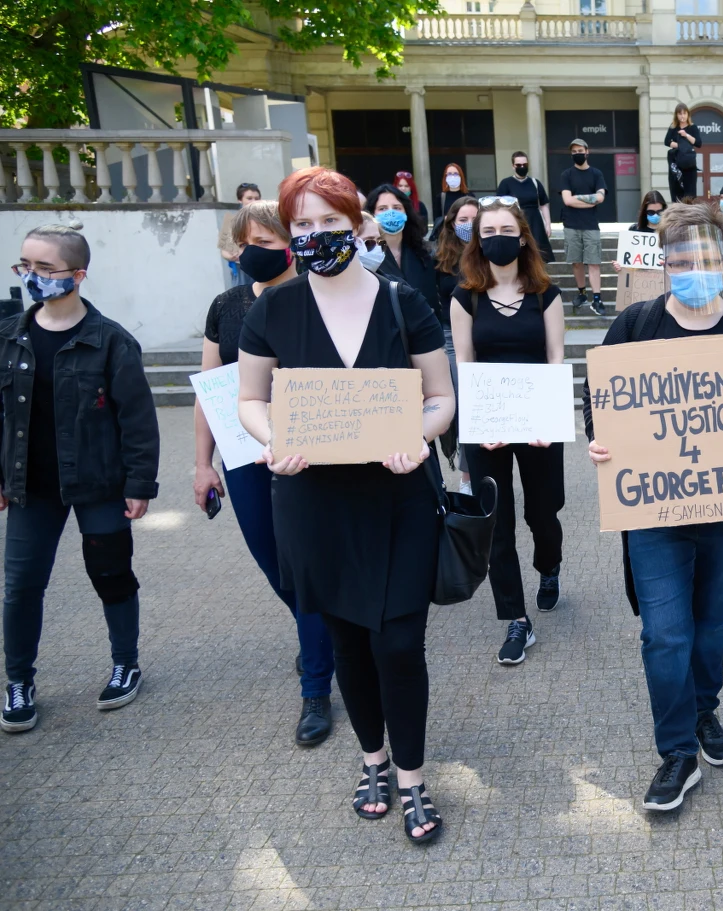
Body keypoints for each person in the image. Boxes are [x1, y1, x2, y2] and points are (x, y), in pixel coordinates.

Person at [236, 167, 456, 844]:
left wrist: (416, 436)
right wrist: (274, 440)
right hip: (314, 499)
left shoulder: (402, 303)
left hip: (397, 497)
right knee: (349, 643)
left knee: (397, 643)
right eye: (301, 225)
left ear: (356, 224)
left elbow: (441, 399)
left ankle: (414, 776)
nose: (314, 236)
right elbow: (249, 401)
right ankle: (374, 763)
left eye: (328, 223)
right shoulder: (271, 310)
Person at [582, 202, 723, 812]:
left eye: (704, 258)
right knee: (664, 633)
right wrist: (599, 439)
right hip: (657, 514)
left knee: (713, 624)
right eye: (680, 260)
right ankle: (677, 750)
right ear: (665, 263)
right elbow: (597, 405)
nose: (693, 269)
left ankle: (705, 710)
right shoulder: (634, 324)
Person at [1, 225, 160, 734]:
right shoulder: (9, 337)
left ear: (78, 275)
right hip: (30, 487)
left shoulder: (111, 341)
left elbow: (137, 420)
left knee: (111, 576)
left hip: (99, 484)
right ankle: (19, 681)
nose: (31, 276)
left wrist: (139, 484)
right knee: (21, 586)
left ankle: (124, 663)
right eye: (25, 265)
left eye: (44, 269)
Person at [193, 202, 335, 746]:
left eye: (276, 242)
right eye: (253, 242)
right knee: (276, 567)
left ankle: (316, 689)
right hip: (243, 458)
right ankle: (320, 629)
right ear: (236, 248)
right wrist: (203, 462)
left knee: (305, 568)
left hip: (308, 457)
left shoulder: (317, 298)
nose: (263, 253)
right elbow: (210, 390)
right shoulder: (225, 307)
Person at [450, 199, 567, 667]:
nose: (497, 235)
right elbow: (465, 363)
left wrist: (547, 419)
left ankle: (549, 565)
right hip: (489, 425)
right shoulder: (465, 298)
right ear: (478, 238)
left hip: (539, 422)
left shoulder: (546, 294)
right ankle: (515, 620)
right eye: (488, 229)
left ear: (522, 237)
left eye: (506, 228)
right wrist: (481, 424)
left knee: (544, 511)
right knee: (495, 522)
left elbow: (555, 358)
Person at [433, 195, 478, 491]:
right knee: (463, 404)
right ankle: (467, 478)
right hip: (450, 337)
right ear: (451, 222)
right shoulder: (439, 259)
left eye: (475, 219)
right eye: (463, 220)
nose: (469, 225)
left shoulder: (488, 253)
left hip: (484, 335)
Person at [367, 183, 441, 317]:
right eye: (382, 208)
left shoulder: (426, 252)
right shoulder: (368, 255)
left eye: (397, 208)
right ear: (372, 214)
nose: (391, 213)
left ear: (406, 212)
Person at [560, 138, 608, 316]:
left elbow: (601, 198)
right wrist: (590, 200)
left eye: (580, 151)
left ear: (587, 152)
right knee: (576, 262)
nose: (577, 154)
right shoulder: (566, 175)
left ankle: (597, 299)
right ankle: (582, 293)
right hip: (571, 225)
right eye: (574, 152)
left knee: (594, 263)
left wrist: (576, 199)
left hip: (591, 226)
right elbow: (567, 200)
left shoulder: (596, 174)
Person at [497, 151, 555, 264]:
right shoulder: (506, 183)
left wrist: (548, 224)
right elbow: (499, 206)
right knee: (519, 255)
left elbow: (543, 204)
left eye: (525, 164)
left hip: (536, 222)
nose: (522, 167)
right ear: (513, 166)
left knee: (538, 256)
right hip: (516, 222)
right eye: (518, 165)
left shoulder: (535, 183)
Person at [219, 182, 265, 287]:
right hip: (242, 271)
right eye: (249, 198)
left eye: (256, 198)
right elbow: (224, 251)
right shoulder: (232, 221)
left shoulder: (267, 220)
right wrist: (232, 256)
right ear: (240, 200)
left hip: (263, 268)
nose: (254, 201)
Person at [664, 103, 702, 202]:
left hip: (689, 164)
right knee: (676, 192)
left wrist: (686, 135)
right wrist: (679, 145)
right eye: (680, 114)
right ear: (676, 115)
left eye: (684, 113)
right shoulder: (673, 127)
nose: (682, 116)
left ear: (688, 114)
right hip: (676, 164)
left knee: (690, 194)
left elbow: (698, 143)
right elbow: (666, 142)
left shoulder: (692, 127)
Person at [392, 170, 430, 235]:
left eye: (406, 186)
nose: (403, 189)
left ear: (411, 188)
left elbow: (424, 230)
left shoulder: (420, 205)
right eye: (400, 186)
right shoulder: (390, 206)